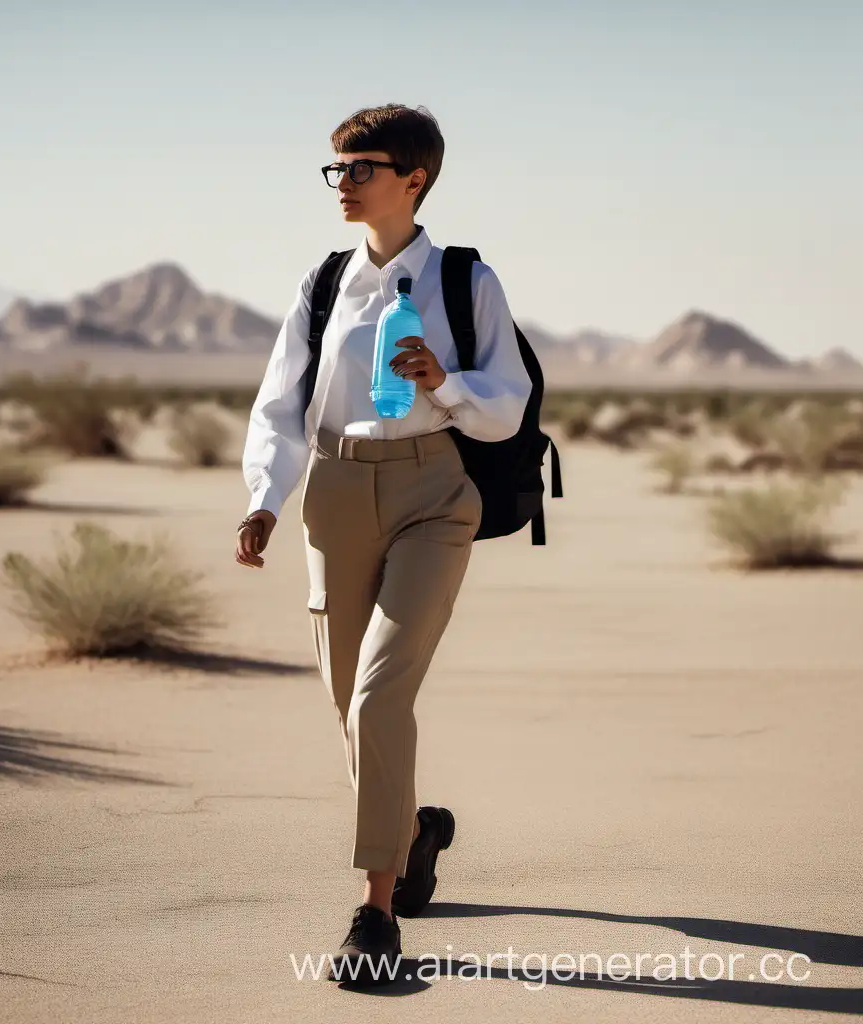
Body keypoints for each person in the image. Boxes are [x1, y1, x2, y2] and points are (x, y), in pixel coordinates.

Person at [236, 103, 532, 984]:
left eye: (360, 168)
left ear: (415, 178)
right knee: (347, 703)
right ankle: (415, 834)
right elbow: (280, 402)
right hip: (332, 492)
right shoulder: (323, 283)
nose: (344, 184)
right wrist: (264, 499)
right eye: (338, 169)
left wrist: (446, 382)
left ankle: (375, 913)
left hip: (433, 493)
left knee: (377, 693)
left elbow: (508, 400)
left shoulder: (464, 280)